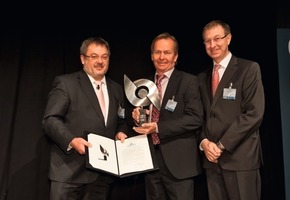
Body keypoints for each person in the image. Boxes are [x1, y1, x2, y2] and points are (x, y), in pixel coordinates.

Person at [42, 36, 129, 200]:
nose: (99, 61)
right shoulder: (66, 83)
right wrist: (71, 140)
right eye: (94, 56)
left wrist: (121, 132)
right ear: (83, 59)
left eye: (104, 57)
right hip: (69, 173)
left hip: (101, 175)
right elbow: (50, 119)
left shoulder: (116, 89)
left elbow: (121, 121)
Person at [197, 19, 265, 200]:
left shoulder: (248, 69)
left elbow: (254, 114)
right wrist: (204, 142)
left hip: (241, 159)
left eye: (217, 38)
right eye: (207, 41)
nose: (213, 45)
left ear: (229, 39)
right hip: (211, 162)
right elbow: (199, 117)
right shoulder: (201, 78)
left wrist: (221, 145)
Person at [131, 32, 203, 200]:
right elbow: (141, 117)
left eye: (167, 52)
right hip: (150, 162)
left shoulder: (189, 81)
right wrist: (136, 115)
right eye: (157, 52)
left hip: (179, 164)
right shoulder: (144, 85)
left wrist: (158, 127)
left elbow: (195, 118)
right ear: (151, 56)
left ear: (176, 57)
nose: (161, 57)